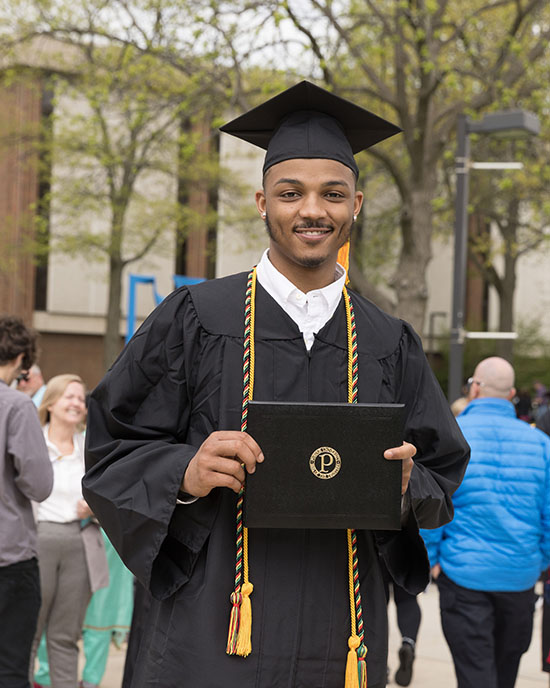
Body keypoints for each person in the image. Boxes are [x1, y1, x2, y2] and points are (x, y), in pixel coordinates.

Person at [83, 81, 470, 688]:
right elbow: (111, 449)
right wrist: (184, 472)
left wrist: (404, 482)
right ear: (262, 201)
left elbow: (441, 473)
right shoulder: (195, 318)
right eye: (291, 193)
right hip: (210, 629)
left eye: (332, 194)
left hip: (342, 631)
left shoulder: (388, 340)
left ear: (357, 205)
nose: (312, 210)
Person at [422, 356, 550, 688]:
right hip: (520, 576)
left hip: (463, 573)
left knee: (475, 674)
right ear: (510, 394)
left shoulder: (452, 437)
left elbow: (433, 505)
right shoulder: (540, 444)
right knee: (505, 673)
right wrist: (541, 559)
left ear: (474, 388)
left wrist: (432, 560)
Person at [30, 374, 108, 688]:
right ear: (50, 403)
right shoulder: (32, 442)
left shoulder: (91, 448)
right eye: (69, 397)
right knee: (26, 633)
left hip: (80, 544)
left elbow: (110, 495)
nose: (77, 403)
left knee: (65, 635)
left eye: (81, 398)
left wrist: (94, 506)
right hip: (37, 543)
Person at [0, 316, 53, 688]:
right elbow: (39, 485)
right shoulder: (16, 406)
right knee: (11, 668)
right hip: (9, 560)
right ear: (21, 359)